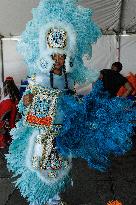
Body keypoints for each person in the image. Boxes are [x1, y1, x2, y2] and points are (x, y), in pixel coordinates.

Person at [6, 1, 135, 205]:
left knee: (60, 164)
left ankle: (55, 198)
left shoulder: (68, 79)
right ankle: (41, 199)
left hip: (62, 129)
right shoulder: (39, 77)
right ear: (47, 55)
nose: (58, 59)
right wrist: (28, 100)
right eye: (54, 55)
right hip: (42, 130)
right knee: (41, 162)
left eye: (61, 55)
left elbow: (74, 99)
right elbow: (26, 101)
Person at [0, 76, 20, 148]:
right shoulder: (16, 89)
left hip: (6, 104)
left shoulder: (4, 89)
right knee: (12, 122)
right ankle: (13, 139)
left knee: (1, 122)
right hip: (14, 103)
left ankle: (2, 141)